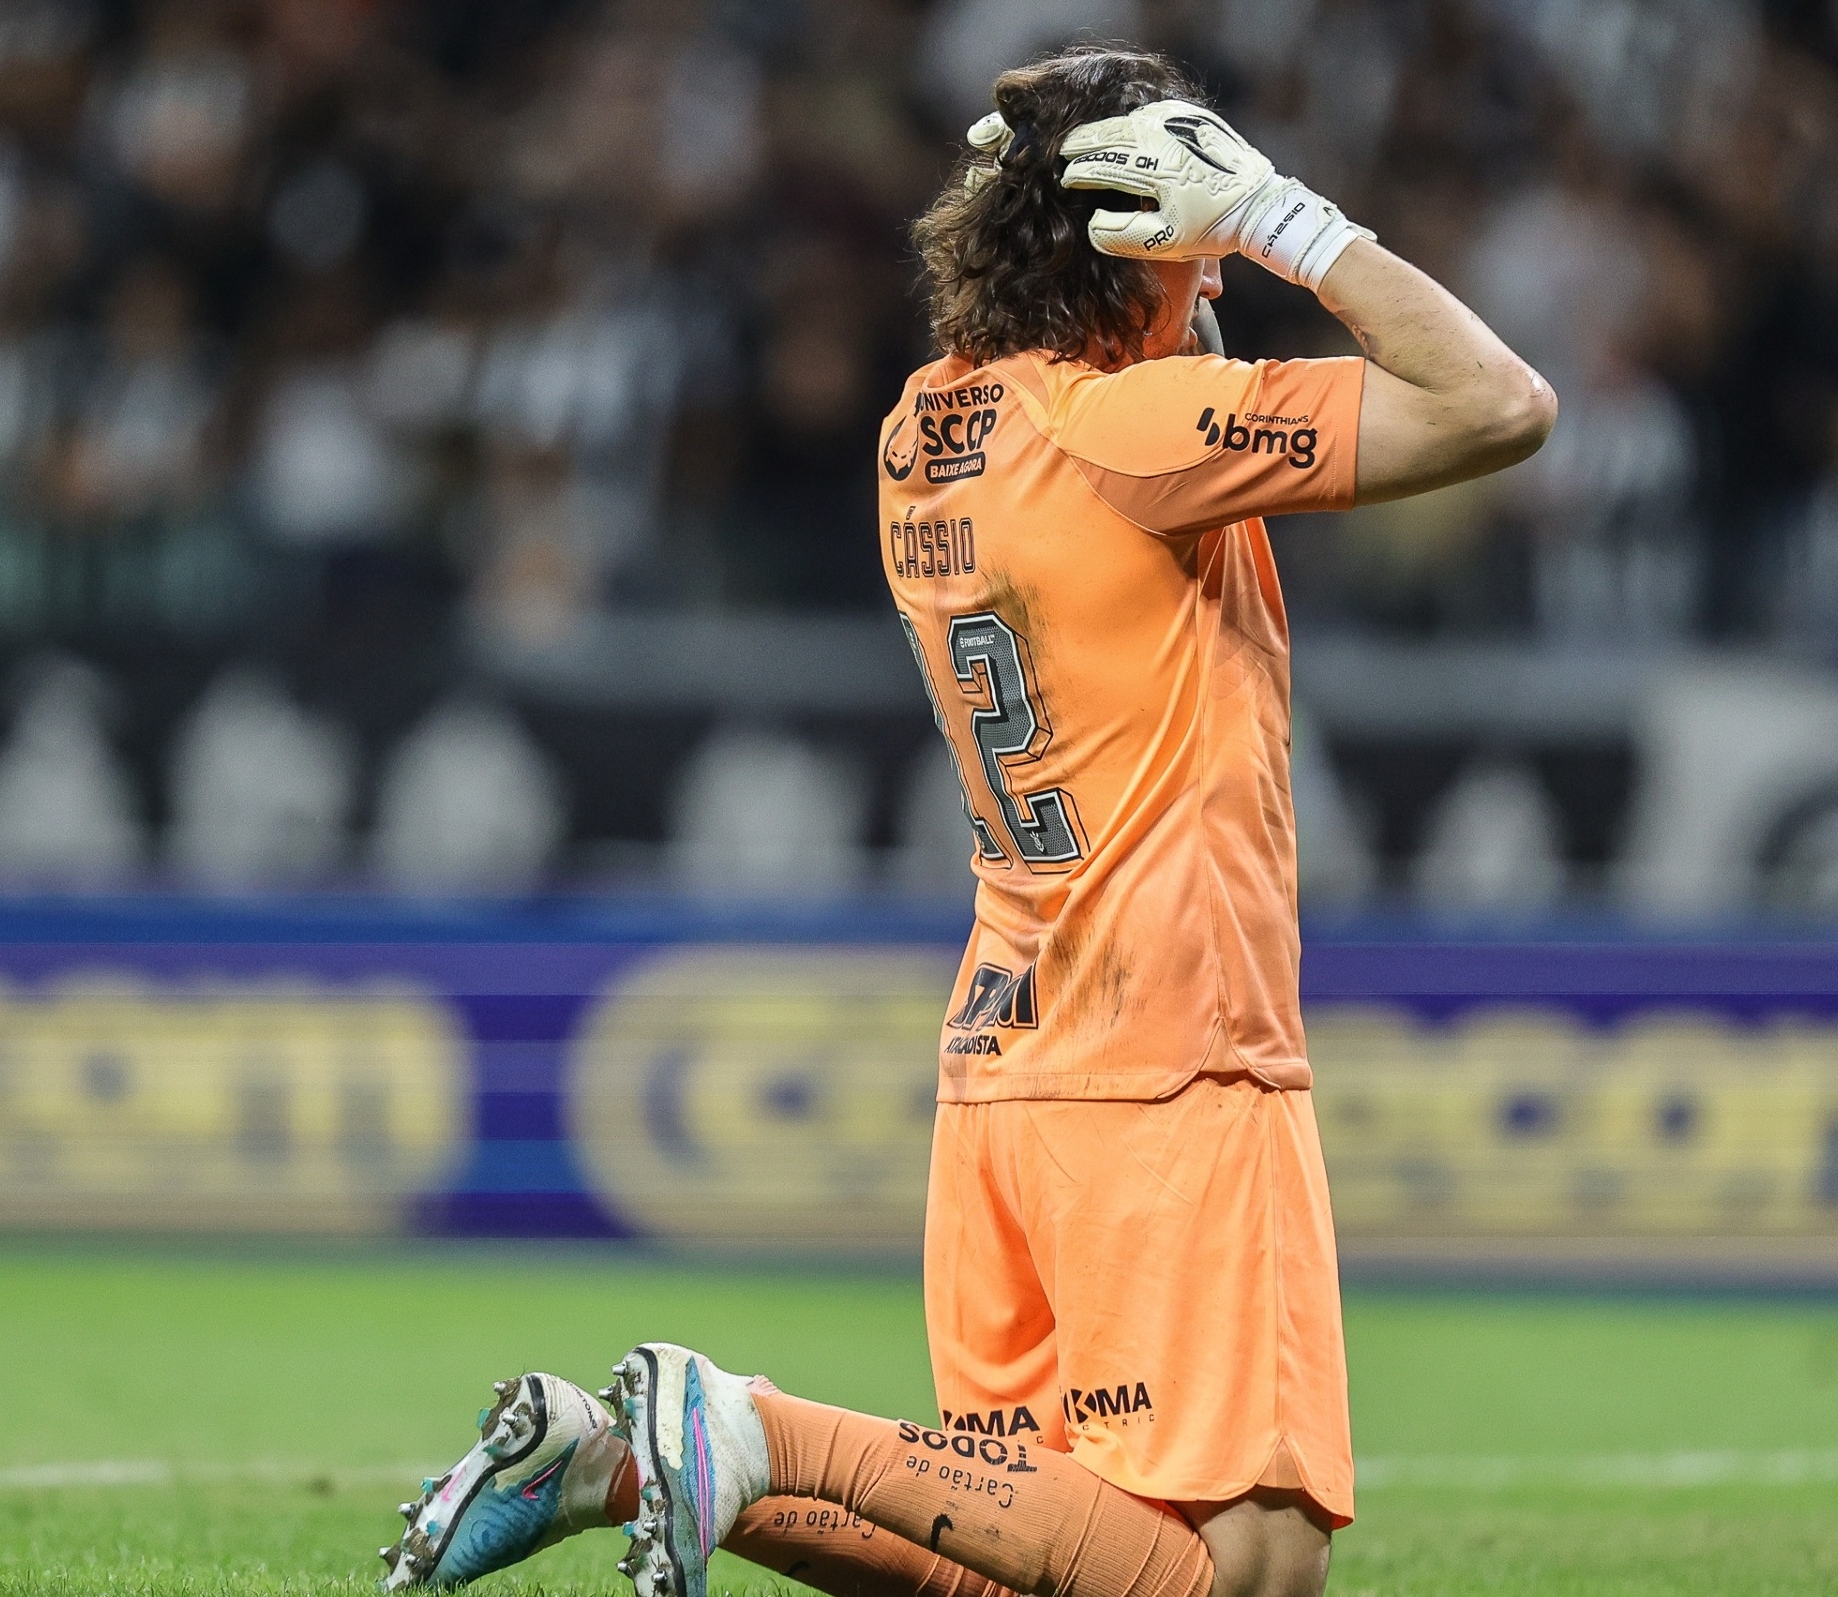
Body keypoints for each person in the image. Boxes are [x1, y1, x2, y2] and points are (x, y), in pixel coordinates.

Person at [379, 44, 1553, 1597]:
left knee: (1026, 1551)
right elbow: (1499, 405)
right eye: (1191, 249)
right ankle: (746, 1423)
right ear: (1133, 245)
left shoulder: (924, 427)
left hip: (1006, 1057)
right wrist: (1286, 216)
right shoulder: (1140, 433)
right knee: (1245, 1574)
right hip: (1170, 1055)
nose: (1214, 289)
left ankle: (617, 1455)